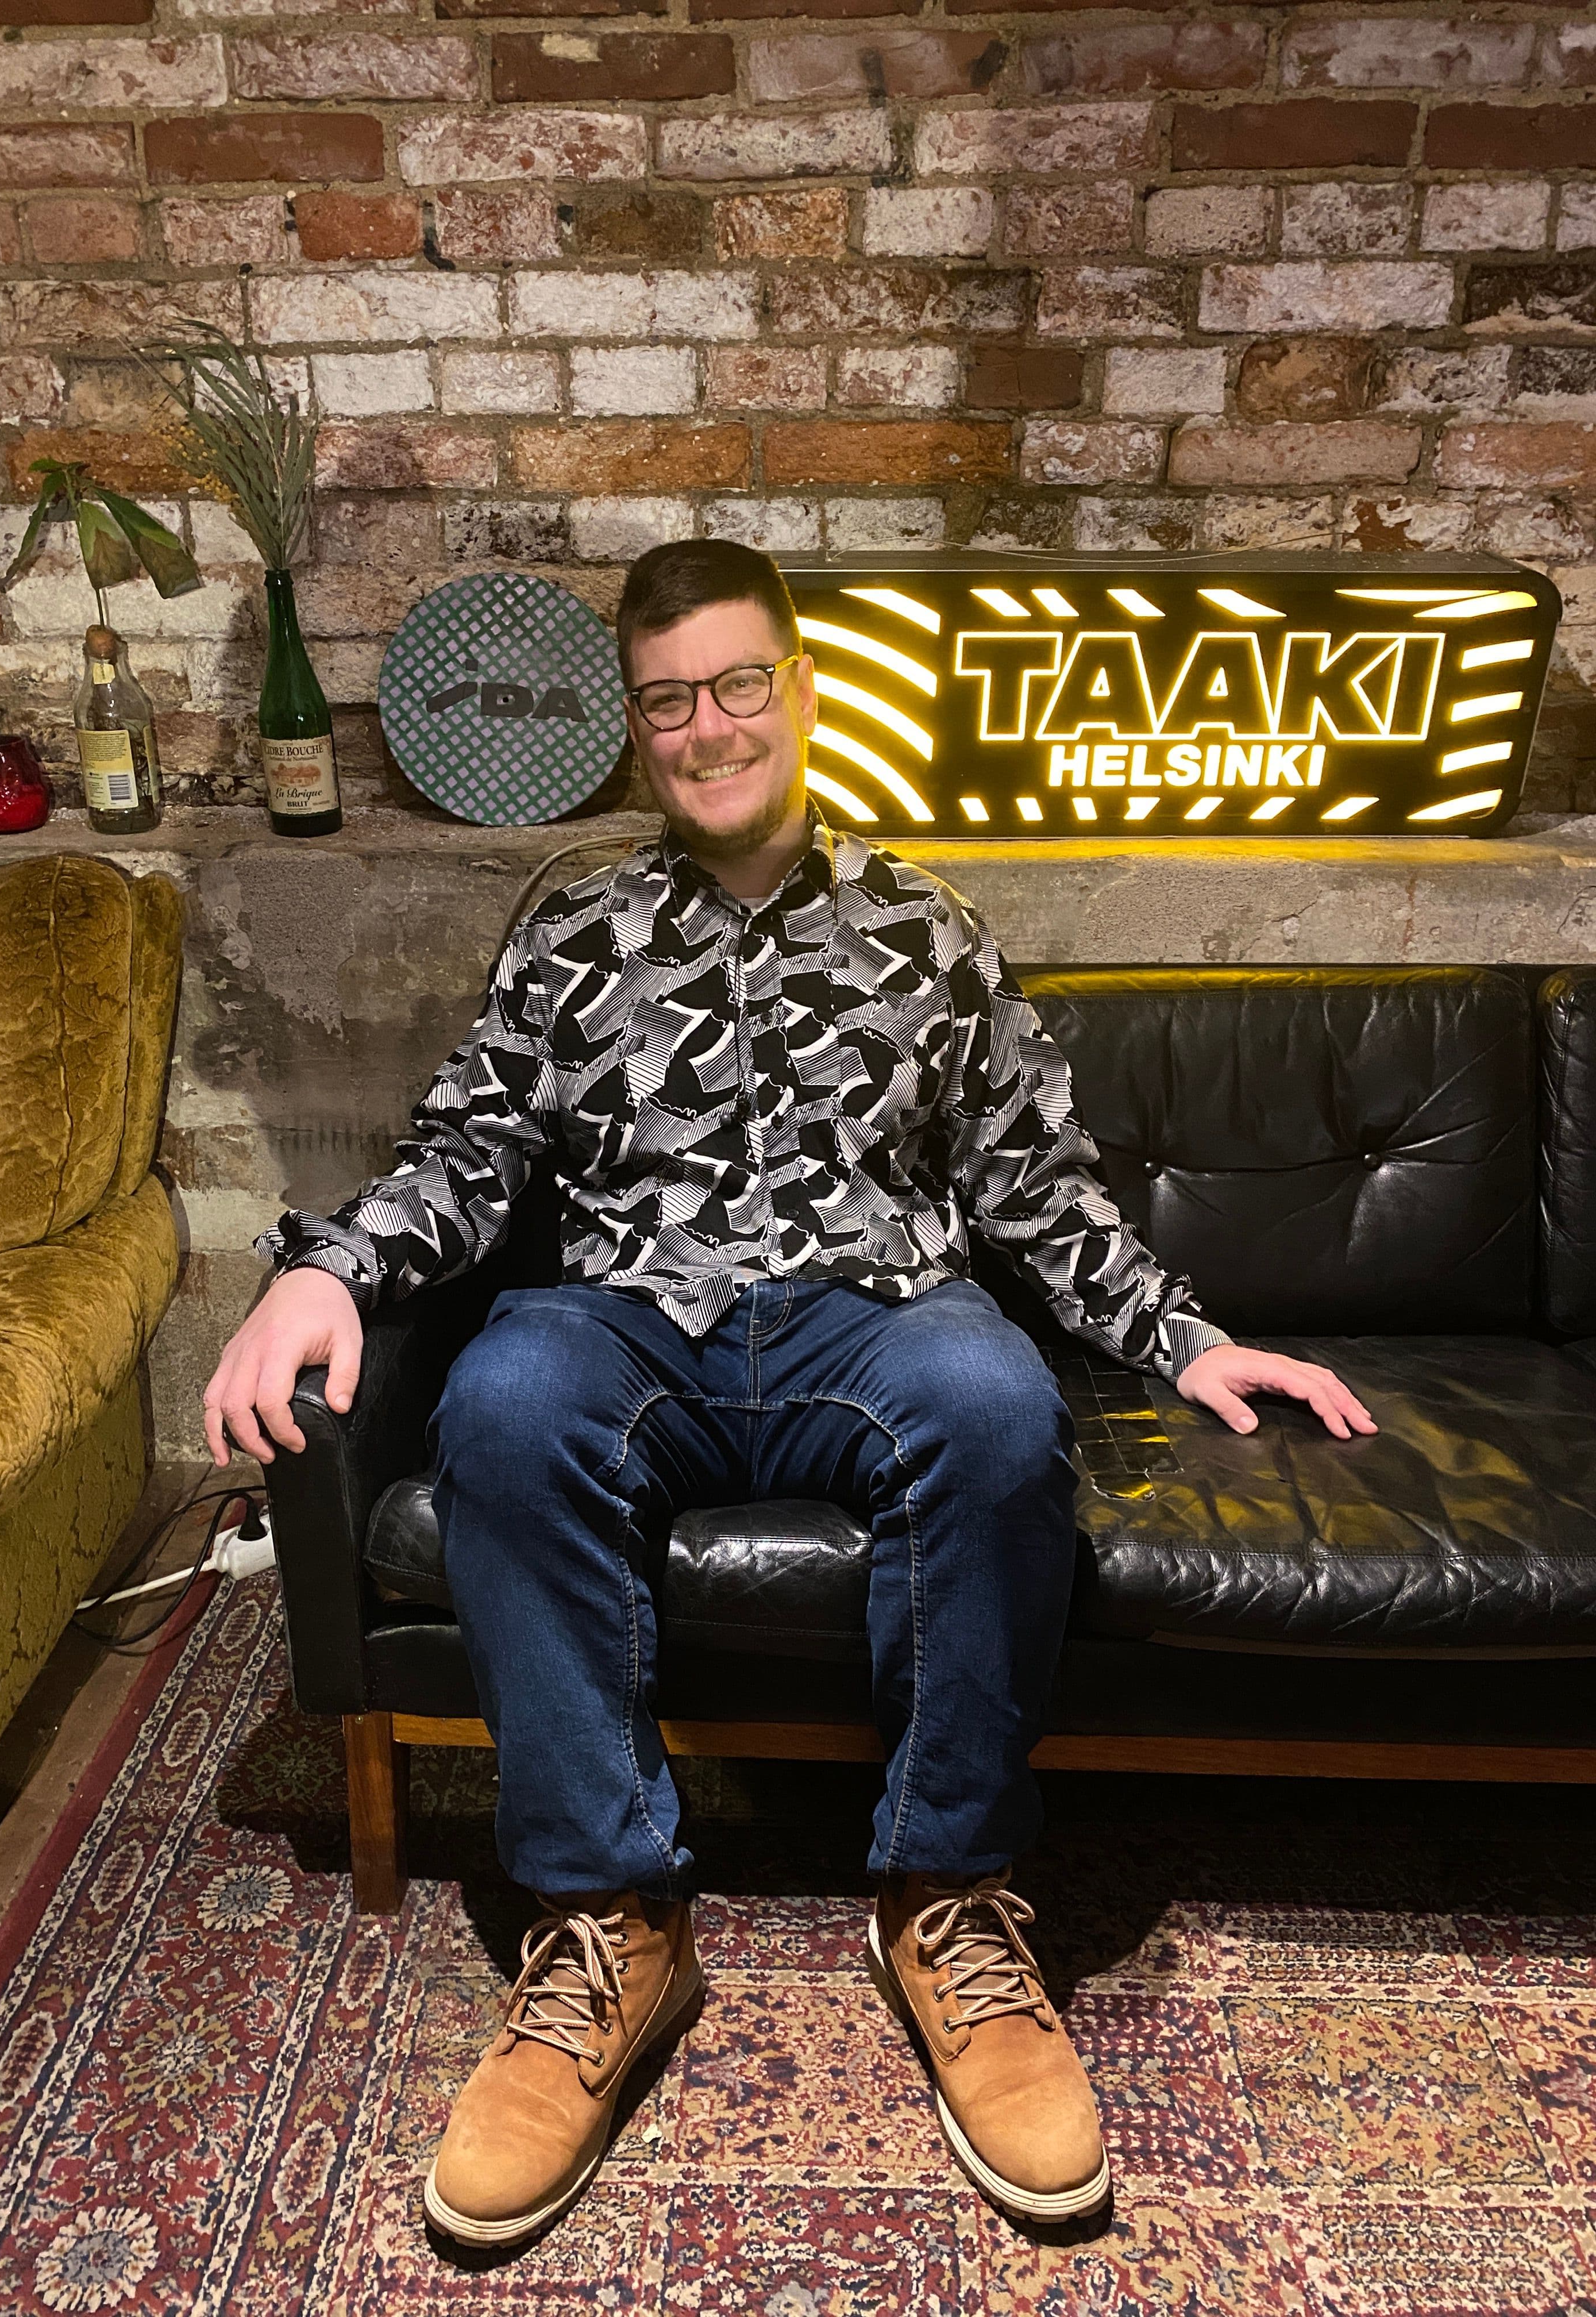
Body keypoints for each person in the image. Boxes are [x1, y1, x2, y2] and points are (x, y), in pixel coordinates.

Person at [205, 539, 1376, 2249]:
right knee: (504, 1401)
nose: (709, 727)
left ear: (802, 688)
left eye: (738, 683)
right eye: (667, 701)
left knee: (993, 1405)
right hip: (635, 1320)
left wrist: (1187, 1339)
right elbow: (469, 1148)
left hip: (868, 1318)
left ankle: (946, 1893)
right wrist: (330, 1268)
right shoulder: (575, 933)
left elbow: (1036, 1186)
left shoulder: (926, 930)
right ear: (637, 727)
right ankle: (611, 1922)